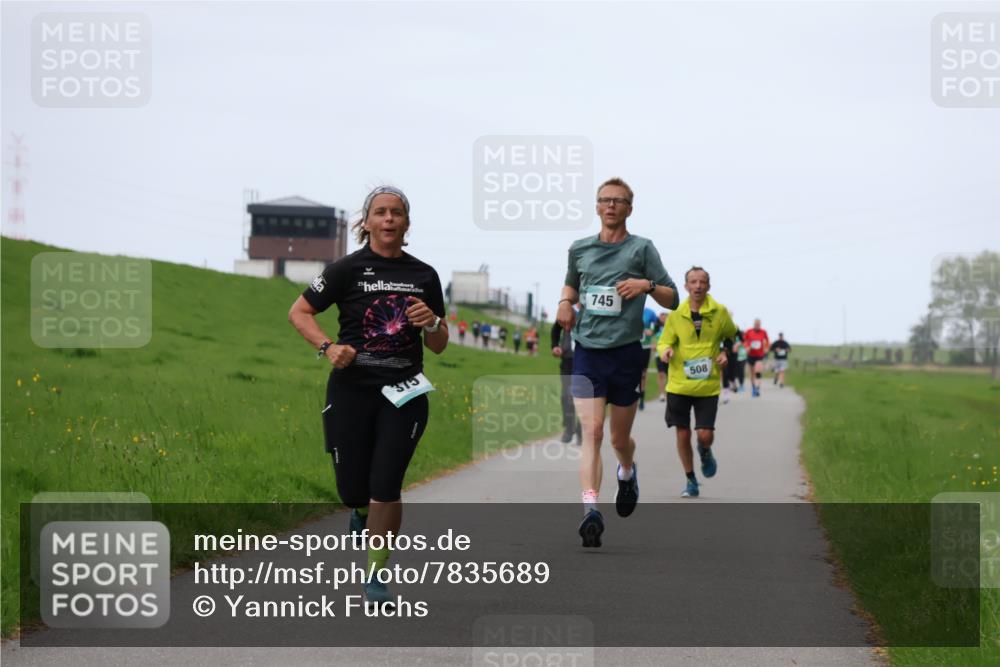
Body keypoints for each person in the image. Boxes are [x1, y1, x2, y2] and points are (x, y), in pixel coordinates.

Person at [288, 185, 447, 608]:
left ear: (407, 223)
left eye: (397, 212)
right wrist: (328, 348)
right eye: (381, 212)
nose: (389, 219)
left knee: (386, 486)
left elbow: (438, 344)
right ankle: (359, 511)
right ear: (367, 221)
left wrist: (432, 323)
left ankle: (377, 575)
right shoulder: (346, 269)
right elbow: (299, 312)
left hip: (404, 394)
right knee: (353, 491)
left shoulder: (425, 275)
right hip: (352, 391)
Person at [556, 177, 678, 547]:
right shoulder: (580, 249)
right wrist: (564, 303)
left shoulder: (642, 249)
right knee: (592, 432)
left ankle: (626, 472)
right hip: (588, 352)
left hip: (626, 353)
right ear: (596, 206)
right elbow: (571, 284)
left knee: (618, 438)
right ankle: (590, 509)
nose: (611, 205)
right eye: (605, 200)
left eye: (618, 200)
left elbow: (672, 298)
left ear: (629, 208)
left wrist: (646, 286)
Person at [656, 267, 736, 499]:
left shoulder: (720, 312)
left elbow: (731, 335)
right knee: (682, 434)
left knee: (704, 435)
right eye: (693, 282)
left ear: (708, 286)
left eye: (702, 282)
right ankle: (690, 479)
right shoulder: (676, 314)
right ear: (686, 286)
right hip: (679, 384)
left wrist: (725, 352)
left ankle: (705, 450)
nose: (698, 286)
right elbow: (663, 342)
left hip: (707, 386)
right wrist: (665, 351)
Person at [551, 310, 581, 444]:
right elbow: (556, 328)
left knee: (582, 397)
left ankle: (581, 431)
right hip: (568, 360)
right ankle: (569, 429)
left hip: (586, 360)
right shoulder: (569, 310)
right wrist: (555, 346)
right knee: (566, 396)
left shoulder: (592, 309)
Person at [743, 319, 770, 398]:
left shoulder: (763, 332)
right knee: (752, 373)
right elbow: (744, 341)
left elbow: (767, 341)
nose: (757, 325)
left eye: (758, 324)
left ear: (760, 325)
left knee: (757, 371)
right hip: (750, 354)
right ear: (754, 324)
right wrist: (747, 347)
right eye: (756, 324)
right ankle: (753, 388)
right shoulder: (749, 331)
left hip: (759, 355)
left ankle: (757, 388)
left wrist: (766, 348)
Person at [721, 319, 743, 403]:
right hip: (723, 353)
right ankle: (726, 395)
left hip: (733, 354)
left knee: (732, 373)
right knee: (725, 372)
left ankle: (733, 382)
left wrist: (737, 345)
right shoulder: (720, 327)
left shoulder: (735, 328)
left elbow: (742, 339)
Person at [654, 312, 669, 402]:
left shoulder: (670, 327)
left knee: (669, 375)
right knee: (661, 374)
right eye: (661, 317)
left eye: (664, 317)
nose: (662, 319)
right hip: (658, 355)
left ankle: (669, 393)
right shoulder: (656, 328)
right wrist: (653, 345)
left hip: (668, 354)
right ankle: (662, 394)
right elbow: (653, 338)